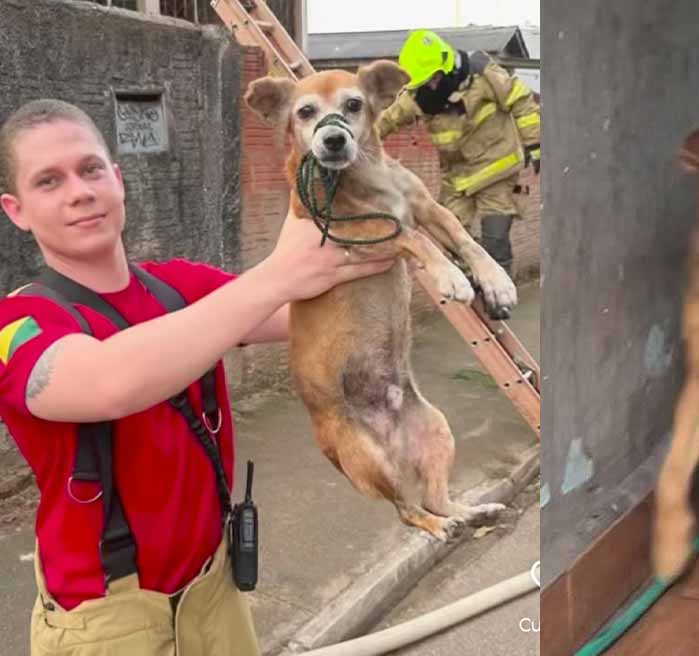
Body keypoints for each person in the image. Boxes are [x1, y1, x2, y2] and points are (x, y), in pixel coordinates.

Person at [0, 99, 393, 655]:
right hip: (106, 620)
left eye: (90, 169)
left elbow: (318, 318)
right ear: (16, 210)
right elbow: (105, 383)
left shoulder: (176, 286)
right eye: (48, 181)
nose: (79, 191)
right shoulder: (19, 322)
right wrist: (277, 276)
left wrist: (379, 217)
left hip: (215, 590)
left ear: (117, 179)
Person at [377, 29, 541, 276]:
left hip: (497, 169)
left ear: (446, 65)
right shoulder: (418, 98)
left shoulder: (482, 73)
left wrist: (536, 145)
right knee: (449, 235)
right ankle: (470, 280)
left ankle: (498, 298)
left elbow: (521, 100)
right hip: (458, 179)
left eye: (433, 78)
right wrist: (356, 140)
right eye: (424, 81)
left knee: (495, 239)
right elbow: (386, 121)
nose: (430, 86)